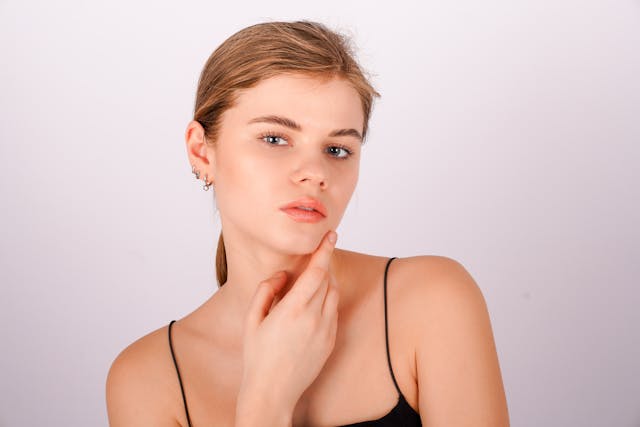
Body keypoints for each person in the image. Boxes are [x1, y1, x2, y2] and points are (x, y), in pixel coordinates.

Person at [106, 20, 509, 427]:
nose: (315, 172)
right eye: (275, 139)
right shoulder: (148, 380)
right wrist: (266, 400)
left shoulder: (431, 301)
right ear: (201, 151)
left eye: (337, 149)